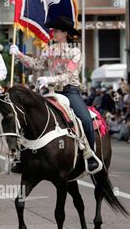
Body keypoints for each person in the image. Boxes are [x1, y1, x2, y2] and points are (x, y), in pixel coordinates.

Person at [9, 15, 100, 173]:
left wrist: (49, 78)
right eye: (53, 31)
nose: (53, 34)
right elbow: (36, 64)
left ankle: (90, 154)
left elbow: (69, 75)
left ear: (65, 33)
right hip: (51, 92)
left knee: (85, 118)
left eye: (56, 31)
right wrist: (18, 54)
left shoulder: (75, 52)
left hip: (69, 91)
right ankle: (22, 157)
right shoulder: (49, 50)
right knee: (28, 116)